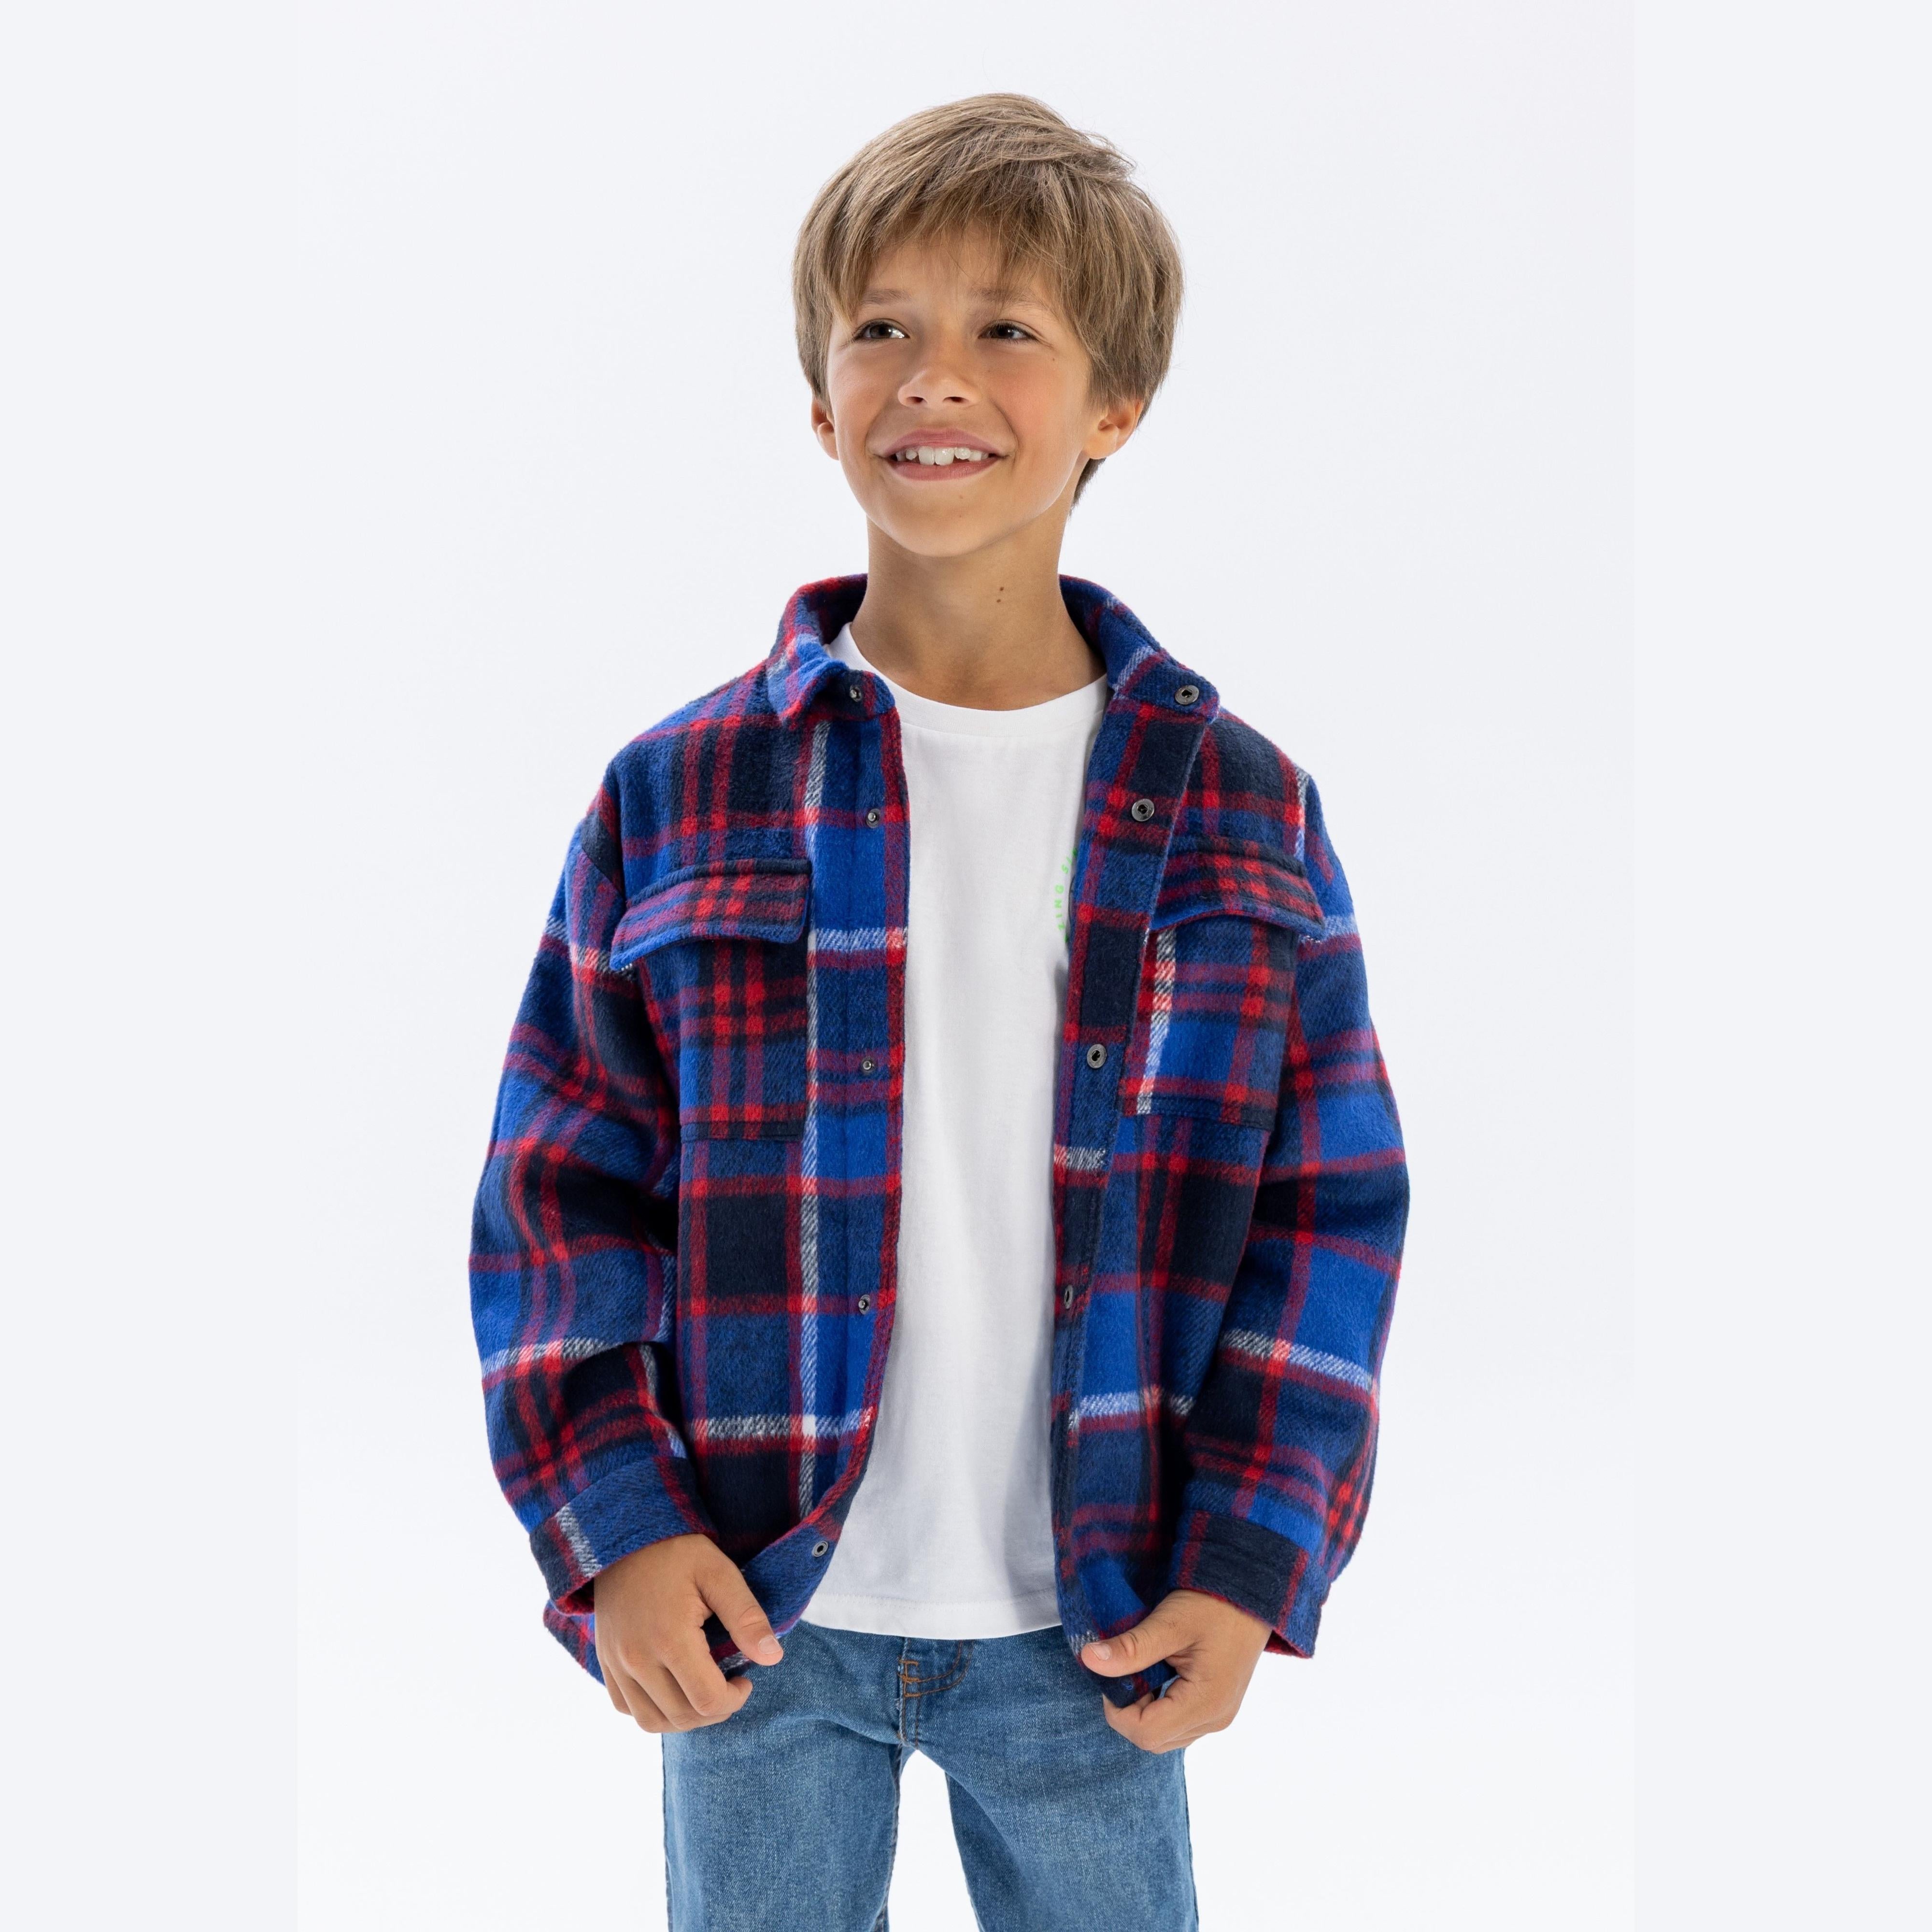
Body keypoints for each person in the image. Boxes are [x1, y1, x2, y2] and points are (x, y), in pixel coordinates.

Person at [469, 92, 1408, 1931]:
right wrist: (625, 1531)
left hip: (1101, 1614)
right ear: (821, 404)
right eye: (880, 327)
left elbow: (1329, 1216)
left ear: (1114, 408)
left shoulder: (1241, 806)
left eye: (1008, 330)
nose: (934, 376)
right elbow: (556, 1192)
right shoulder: (679, 796)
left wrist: (1251, 1555)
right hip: (755, 1608)